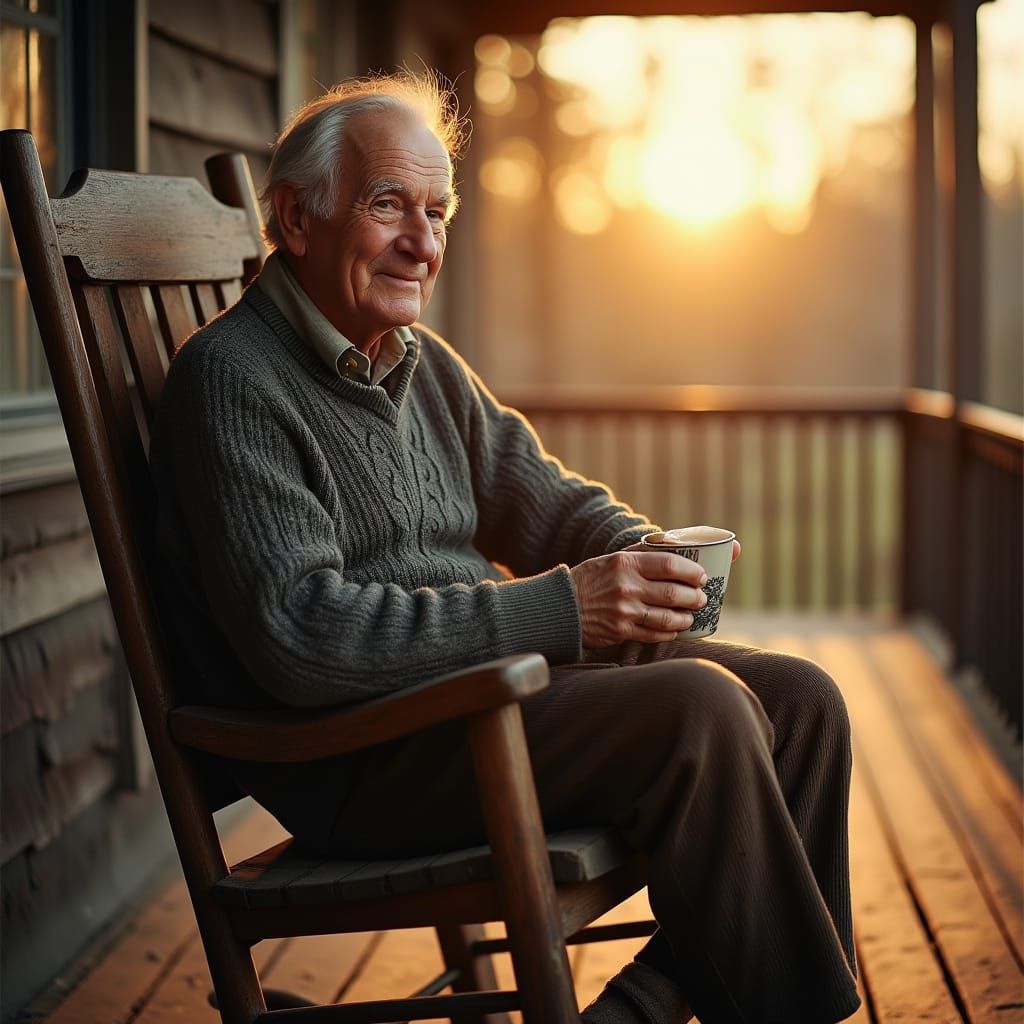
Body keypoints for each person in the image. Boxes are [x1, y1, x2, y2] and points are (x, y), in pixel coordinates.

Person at [149, 70, 861, 1024]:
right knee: (703, 709)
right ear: (295, 218)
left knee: (805, 704)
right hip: (363, 753)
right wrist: (569, 607)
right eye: (388, 204)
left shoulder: (421, 364)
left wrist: (642, 558)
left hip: (479, 703)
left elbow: (546, 501)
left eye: (437, 211)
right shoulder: (231, 381)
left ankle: (644, 1010)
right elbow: (301, 636)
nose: (422, 242)